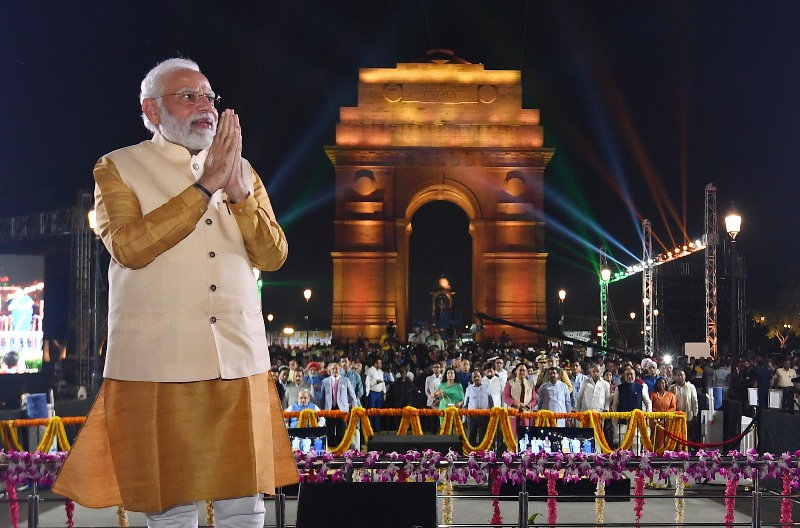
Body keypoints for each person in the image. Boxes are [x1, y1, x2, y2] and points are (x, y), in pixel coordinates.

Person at [52, 58, 297, 525]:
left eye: (209, 97)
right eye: (189, 96)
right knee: (169, 506)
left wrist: (241, 195)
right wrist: (205, 187)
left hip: (238, 358)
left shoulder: (242, 171)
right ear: (150, 109)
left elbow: (274, 255)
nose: (205, 106)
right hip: (159, 361)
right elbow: (129, 246)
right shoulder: (118, 166)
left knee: (243, 505)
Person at [611, 366, 652, 453]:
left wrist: (648, 416)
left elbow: (648, 402)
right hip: (623, 422)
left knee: (636, 445)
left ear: (635, 375)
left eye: (631, 374)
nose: (629, 376)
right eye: (627, 374)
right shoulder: (619, 388)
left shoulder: (641, 387)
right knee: (622, 447)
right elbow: (615, 405)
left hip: (636, 422)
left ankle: (636, 465)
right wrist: (615, 417)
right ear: (624, 376)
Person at [319, 362, 358, 447]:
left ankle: (342, 450)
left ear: (340, 370)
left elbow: (352, 395)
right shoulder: (325, 381)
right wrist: (321, 411)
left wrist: (355, 409)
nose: (334, 370)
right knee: (330, 431)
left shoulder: (346, 380)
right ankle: (331, 450)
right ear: (329, 370)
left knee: (341, 430)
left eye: (336, 368)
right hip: (329, 409)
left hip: (342, 410)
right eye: (333, 369)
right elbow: (322, 397)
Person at [503, 365, 537, 440]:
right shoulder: (510, 383)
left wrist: (530, 405)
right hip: (513, 414)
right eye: (520, 370)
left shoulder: (530, 384)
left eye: (524, 370)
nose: (522, 372)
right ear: (516, 371)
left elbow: (534, 399)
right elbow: (505, 397)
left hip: (526, 415)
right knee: (513, 436)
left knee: (526, 436)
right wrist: (516, 404)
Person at [669, 368, 699, 442]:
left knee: (687, 436)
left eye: (682, 375)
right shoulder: (672, 388)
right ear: (675, 377)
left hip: (688, 415)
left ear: (685, 376)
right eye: (678, 375)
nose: (680, 377)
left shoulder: (691, 387)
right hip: (676, 415)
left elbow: (694, 401)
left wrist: (695, 414)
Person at [463, 369, 491, 446]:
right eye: (474, 377)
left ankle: (483, 454)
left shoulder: (487, 387)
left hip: (484, 415)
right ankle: (471, 453)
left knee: (483, 435)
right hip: (472, 416)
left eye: (478, 376)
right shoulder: (469, 389)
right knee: (472, 435)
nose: (476, 378)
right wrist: (464, 419)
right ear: (472, 379)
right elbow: (465, 404)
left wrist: (492, 415)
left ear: (481, 377)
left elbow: (491, 401)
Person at [365, 358, 387, 431]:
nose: (381, 365)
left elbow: (383, 382)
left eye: (381, 363)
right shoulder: (369, 371)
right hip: (372, 393)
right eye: (379, 363)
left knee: (378, 411)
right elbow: (367, 383)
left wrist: (384, 392)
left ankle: (376, 427)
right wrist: (375, 382)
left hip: (379, 393)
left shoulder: (381, 372)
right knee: (371, 410)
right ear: (375, 363)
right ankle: (369, 426)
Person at [424, 362, 444, 433]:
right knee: (433, 421)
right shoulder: (428, 379)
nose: (436, 369)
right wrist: (433, 399)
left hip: (441, 402)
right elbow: (427, 391)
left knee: (440, 421)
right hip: (432, 402)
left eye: (438, 367)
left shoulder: (444, 379)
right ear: (432, 369)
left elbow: (445, 390)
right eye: (434, 367)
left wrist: (439, 400)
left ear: (441, 369)